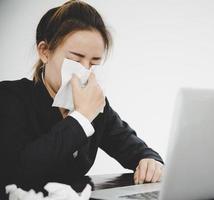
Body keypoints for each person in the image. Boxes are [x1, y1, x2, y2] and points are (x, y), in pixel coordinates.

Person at [0, 0, 164, 198]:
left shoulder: (95, 104)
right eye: (76, 59)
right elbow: (19, 169)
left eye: (94, 63)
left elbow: (134, 148)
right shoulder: (10, 96)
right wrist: (81, 118)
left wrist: (150, 160)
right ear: (44, 51)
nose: (85, 70)